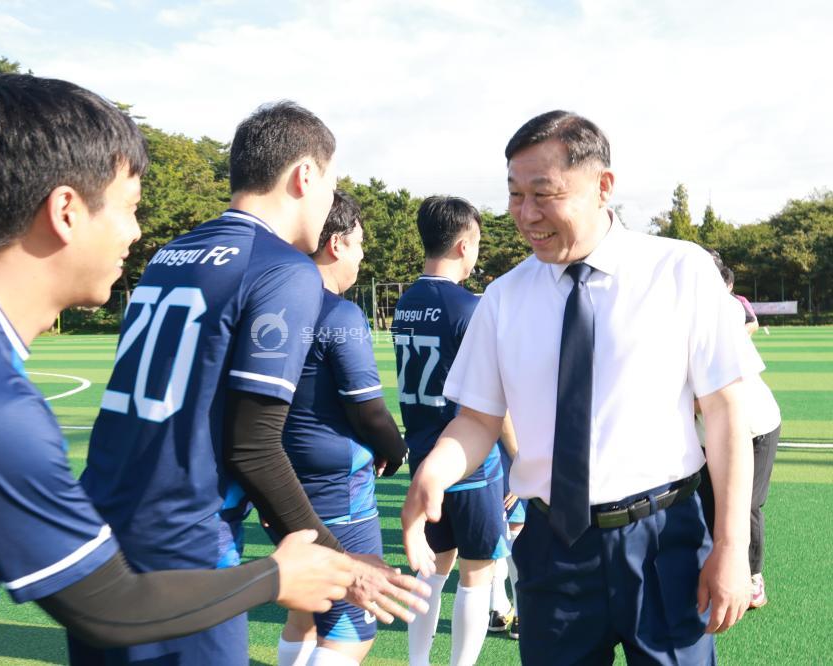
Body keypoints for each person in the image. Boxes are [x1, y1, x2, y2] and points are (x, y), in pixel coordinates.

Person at [0, 75, 360, 666]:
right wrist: (276, 575)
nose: (137, 234)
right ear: (65, 211)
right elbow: (108, 605)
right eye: (129, 209)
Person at [74, 101, 428, 665]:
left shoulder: (171, 252)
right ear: (305, 175)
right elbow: (253, 445)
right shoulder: (281, 268)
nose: (331, 199)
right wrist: (345, 561)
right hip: (187, 538)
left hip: (106, 529)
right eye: (331, 182)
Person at [402, 110, 759, 665]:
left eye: (544, 194)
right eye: (515, 195)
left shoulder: (680, 271)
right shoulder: (504, 298)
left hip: (664, 539)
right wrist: (436, 470)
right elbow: (477, 419)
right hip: (552, 547)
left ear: (603, 186)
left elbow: (725, 411)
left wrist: (733, 546)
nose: (526, 214)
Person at [275, 191, 408, 666]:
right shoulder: (341, 314)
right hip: (336, 489)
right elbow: (368, 410)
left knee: (306, 613)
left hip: (277, 482)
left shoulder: (270, 302)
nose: (362, 255)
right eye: (359, 244)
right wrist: (397, 450)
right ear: (335, 244)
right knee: (352, 626)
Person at [391, 196, 517, 666]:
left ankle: (418, 663)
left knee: (432, 569)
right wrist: (518, 452)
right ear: (465, 245)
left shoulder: (406, 301)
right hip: (469, 461)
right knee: (477, 574)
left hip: (424, 456)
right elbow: (489, 401)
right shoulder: (470, 307)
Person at [697, 261, 782, 609]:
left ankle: (753, 576)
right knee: (705, 504)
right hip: (708, 435)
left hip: (754, 427)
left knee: (745, 504)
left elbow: (708, 399)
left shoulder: (724, 315)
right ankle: (708, 572)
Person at [487, 446, 526, 640]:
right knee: (514, 528)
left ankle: (497, 608)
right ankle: (520, 614)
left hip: (482, 457)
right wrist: (521, 463)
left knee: (499, 529)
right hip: (510, 456)